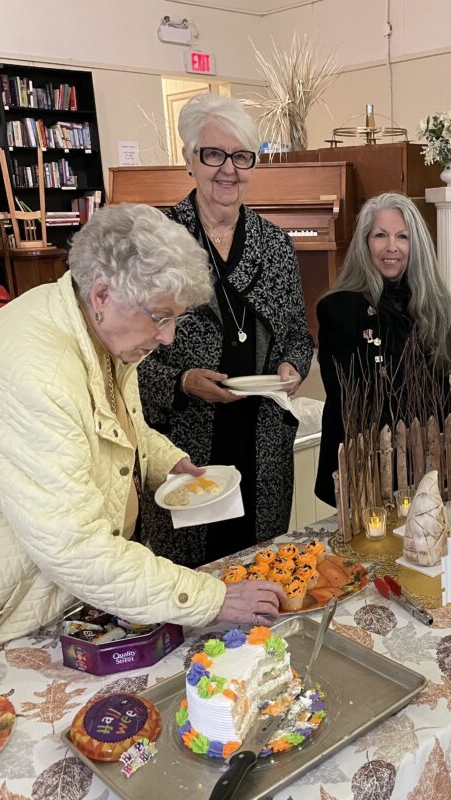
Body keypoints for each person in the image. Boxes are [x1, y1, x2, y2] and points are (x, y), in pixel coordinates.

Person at [0, 203, 285, 654]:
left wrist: (165, 459)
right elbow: (76, 549)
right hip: (6, 622)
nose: (170, 336)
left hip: (64, 602)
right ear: (102, 294)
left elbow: (116, 422)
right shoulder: (34, 374)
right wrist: (211, 598)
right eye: (161, 316)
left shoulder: (96, 326)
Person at [138, 94, 313, 567]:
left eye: (241, 157)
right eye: (213, 155)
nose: (228, 170)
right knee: (188, 572)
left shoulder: (274, 244)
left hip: (260, 437)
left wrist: (293, 365)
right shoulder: (157, 240)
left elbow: (297, 331)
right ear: (189, 160)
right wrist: (180, 382)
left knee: (256, 564)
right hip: (183, 439)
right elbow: (122, 356)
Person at [315, 192, 451, 507]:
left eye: (402, 237)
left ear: (416, 245)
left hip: (425, 462)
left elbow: (441, 393)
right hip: (366, 464)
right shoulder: (339, 307)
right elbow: (347, 396)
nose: (391, 247)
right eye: (380, 235)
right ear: (365, 243)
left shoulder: (434, 307)